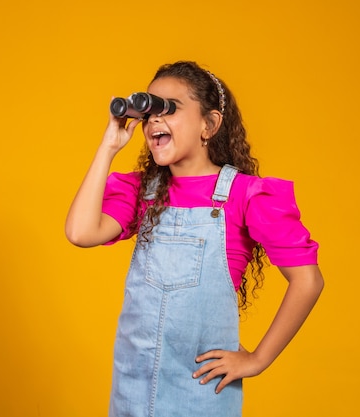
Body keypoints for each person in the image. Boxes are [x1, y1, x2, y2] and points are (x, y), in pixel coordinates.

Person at [65, 61, 324, 417]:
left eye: (169, 108)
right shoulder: (145, 192)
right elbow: (80, 233)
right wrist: (108, 147)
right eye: (149, 109)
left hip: (198, 394)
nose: (155, 119)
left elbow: (307, 279)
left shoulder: (245, 195)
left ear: (210, 124)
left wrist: (258, 359)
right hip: (132, 389)